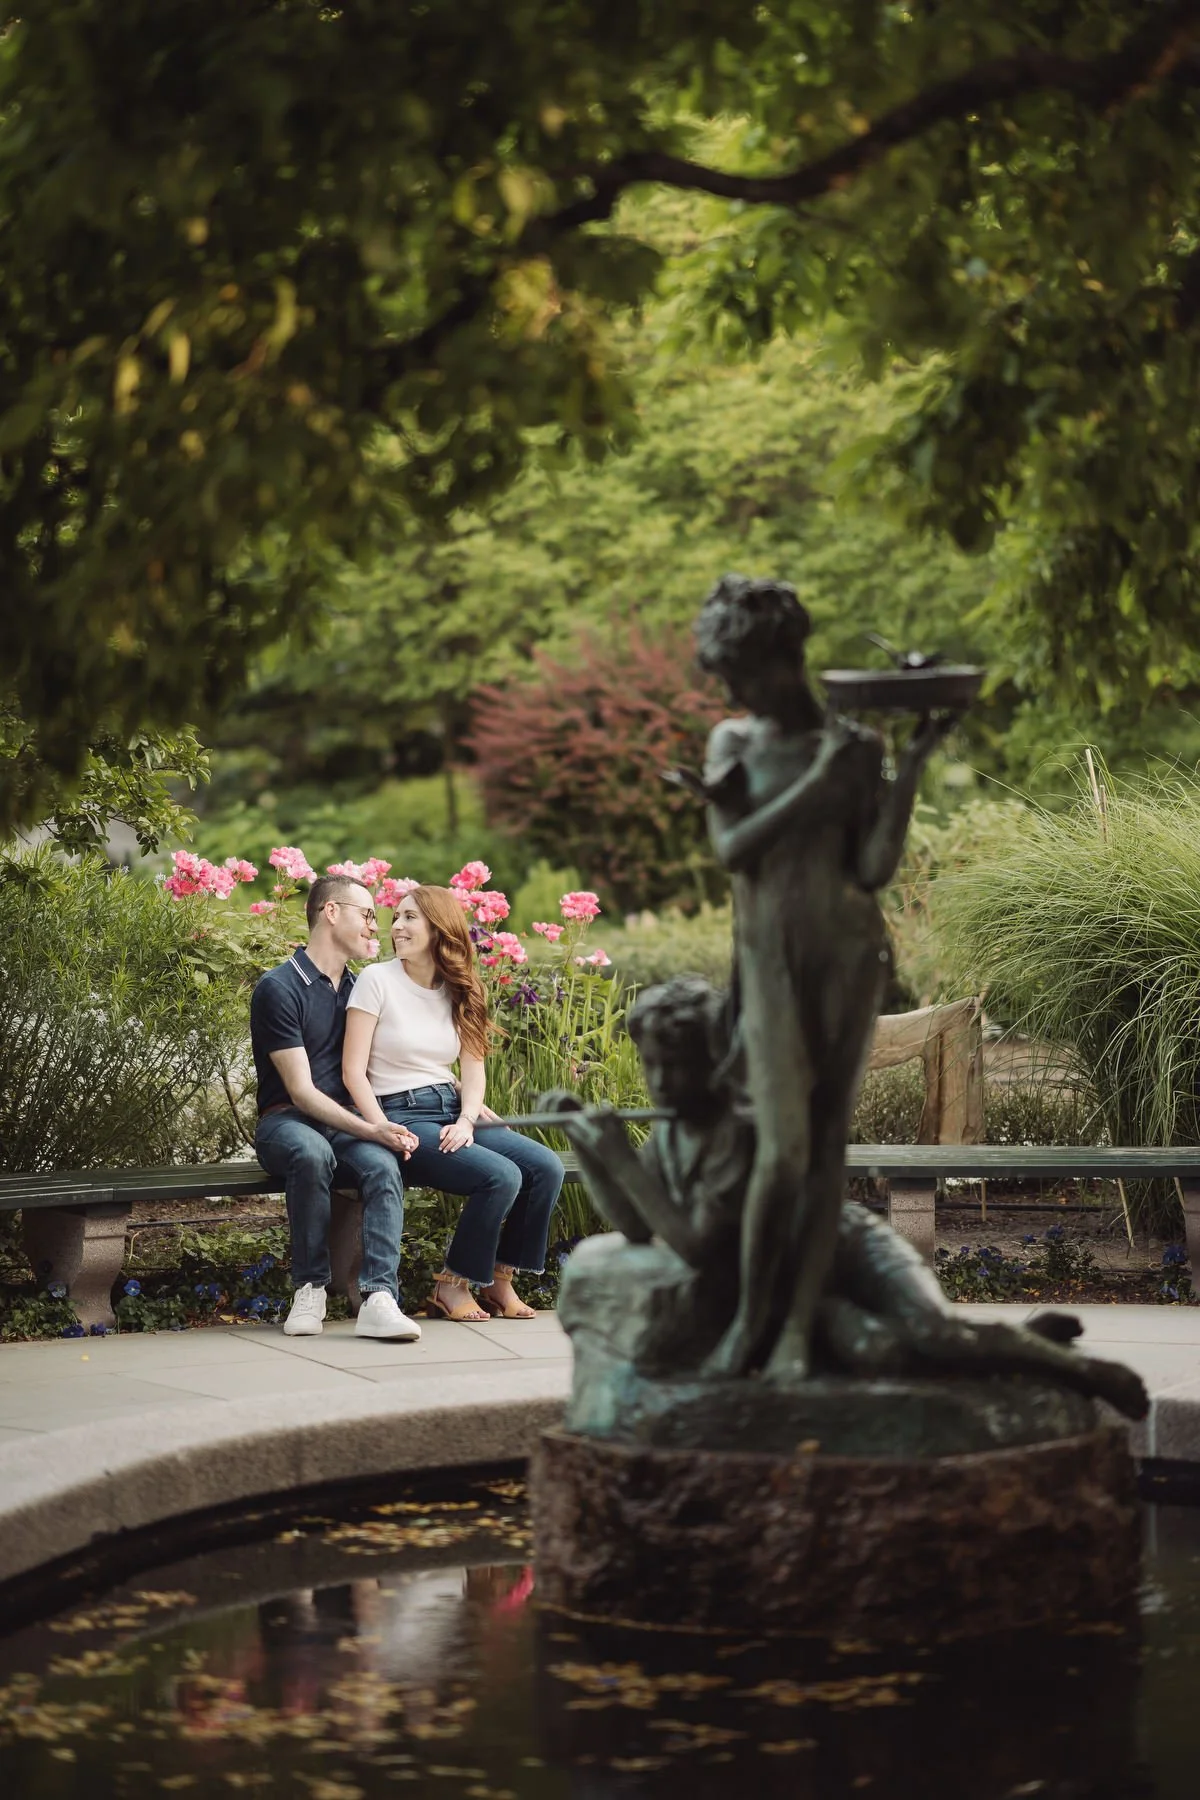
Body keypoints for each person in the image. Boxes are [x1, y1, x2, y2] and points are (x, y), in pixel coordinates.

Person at [342, 884, 564, 1321]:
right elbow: (353, 1072)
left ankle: (501, 1281)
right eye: (397, 917)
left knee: (545, 1168)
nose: (397, 926)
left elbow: (473, 1067)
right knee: (499, 1176)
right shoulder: (376, 981)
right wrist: (379, 1128)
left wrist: (466, 1118)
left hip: (451, 1108)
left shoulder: (461, 987)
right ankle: (452, 1283)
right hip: (400, 1113)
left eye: (410, 918)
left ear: (439, 928)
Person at [251, 874, 425, 1341]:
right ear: (331, 912)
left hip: (345, 1125)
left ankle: (379, 1298)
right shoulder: (278, 987)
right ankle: (310, 1288)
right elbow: (302, 1091)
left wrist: (467, 1103)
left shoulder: (359, 989)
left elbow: (404, 1057)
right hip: (286, 1120)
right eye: (367, 914)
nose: (376, 926)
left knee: (383, 1166)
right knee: (312, 1154)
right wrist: (373, 1128)